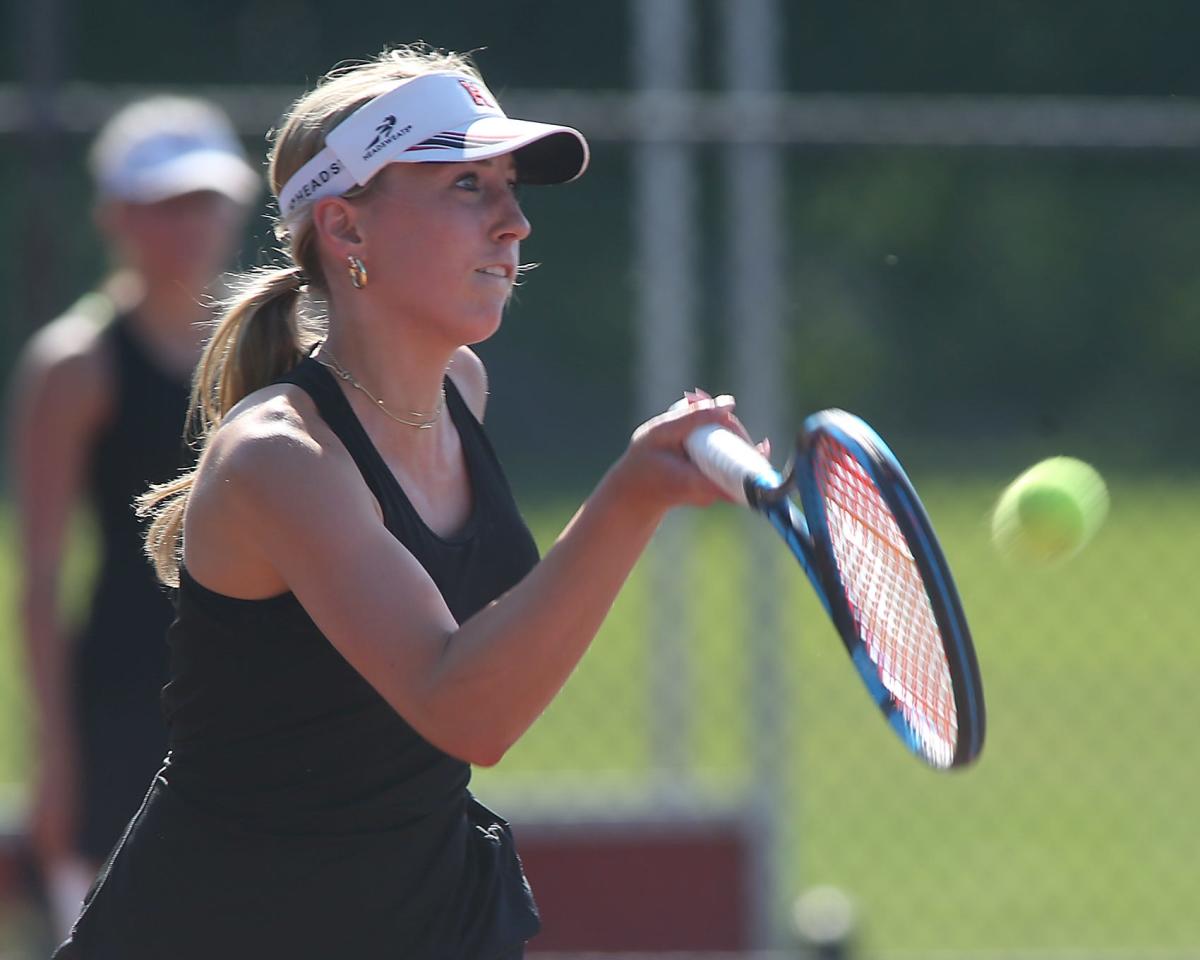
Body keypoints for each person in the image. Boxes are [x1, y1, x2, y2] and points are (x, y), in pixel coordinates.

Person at [52, 46, 752, 960]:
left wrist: (641, 494)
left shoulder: (461, 386)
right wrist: (631, 499)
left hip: (418, 916)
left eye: (510, 186)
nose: (515, 225)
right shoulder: (278, 459)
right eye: (469, 186)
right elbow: (464, 708)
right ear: (345, 230)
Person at [8, 96, 259, 937]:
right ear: (115, 216)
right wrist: (56, 758)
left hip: (247, 685)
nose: (187, 225)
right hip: (120, 695)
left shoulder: (273, 357)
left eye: (202, 201)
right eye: (162, 204)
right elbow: (40, 575)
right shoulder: (74, 366)